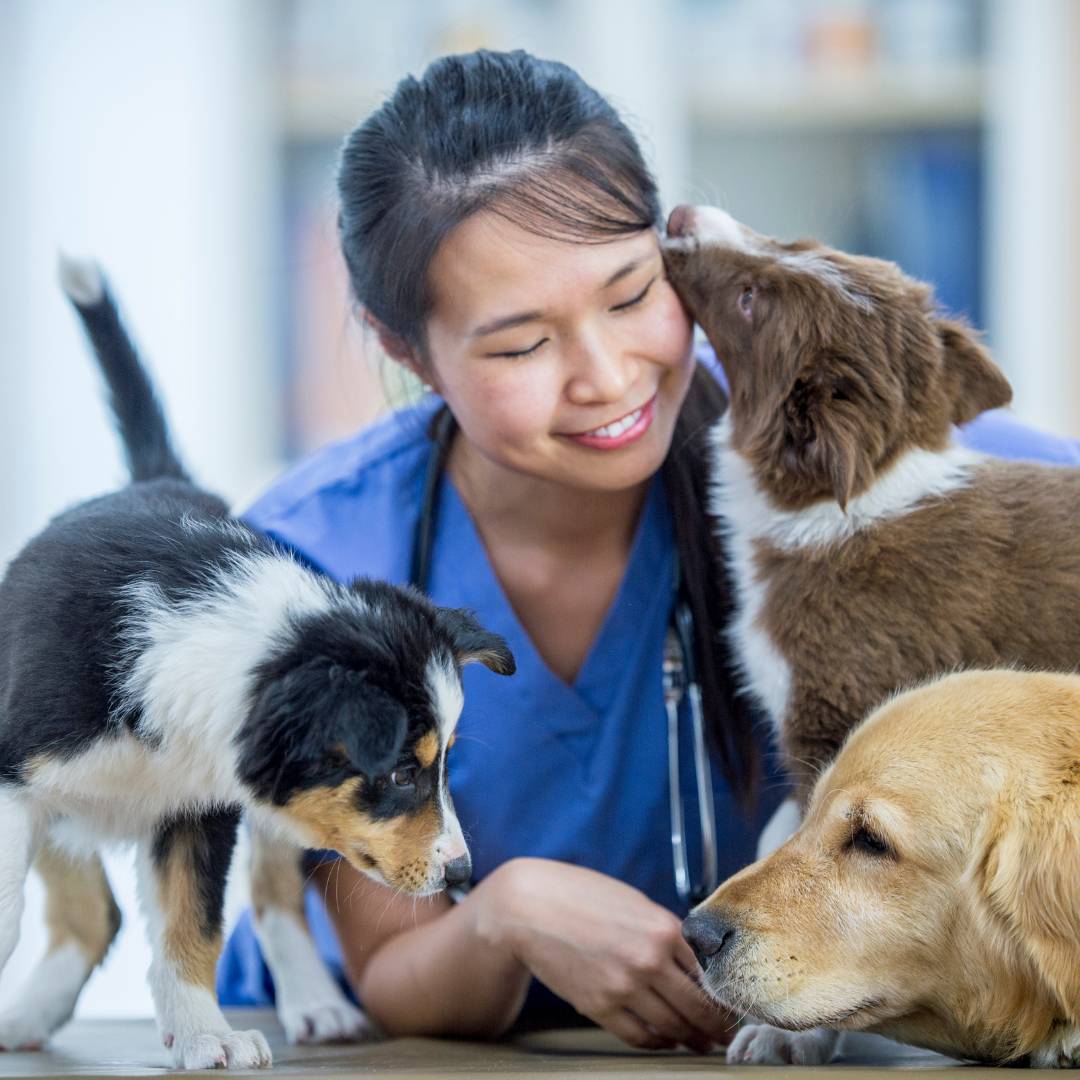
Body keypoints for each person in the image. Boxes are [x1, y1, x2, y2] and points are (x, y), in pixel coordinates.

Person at [218, 49, 1080, 1050]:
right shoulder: (310, 559)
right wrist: (508, 913)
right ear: (406, 350)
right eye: (519, 345)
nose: (608, 376)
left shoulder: (853, 455)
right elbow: (398, 980)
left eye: (632, 296)